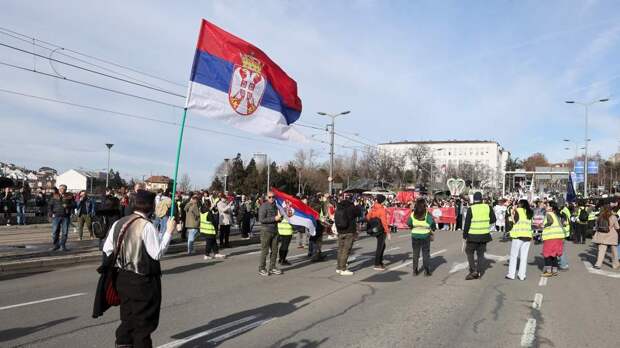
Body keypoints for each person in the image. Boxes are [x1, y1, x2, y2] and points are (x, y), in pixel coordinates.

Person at [102, 190, 175, 348]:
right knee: (142, 323)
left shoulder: (119, 222)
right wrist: (169, 231)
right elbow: (157, 253)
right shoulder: (146, 226)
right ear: (151, 206)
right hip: (141, 280)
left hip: (122, 278)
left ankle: (122, 344)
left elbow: (107, 249)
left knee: (127, 317)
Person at [463, 192, 496, 280]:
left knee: (469, 251)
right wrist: (485, 223)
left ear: (474, 199)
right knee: (480, 254)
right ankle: (478, 272)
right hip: (484, 235)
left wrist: (464, 235)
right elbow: (493, 219)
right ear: (481, 199)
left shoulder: (471, 209)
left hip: (472, 235)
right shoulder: (488, 207)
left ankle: (473, 270)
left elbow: (467, 223)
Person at [506, 199, 533, 281]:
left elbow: (512, 221)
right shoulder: (529, 212)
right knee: (524, 257)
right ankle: (522, 275)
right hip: (527, 236)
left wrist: (512, 210)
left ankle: (511, 274)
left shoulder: (517, 210)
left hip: (518, 236)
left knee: (514, 256)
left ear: (520, 204)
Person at [407, 198, 435, 276]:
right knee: (425, 253)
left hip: (415, 235)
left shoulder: (413, 214)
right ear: (424, 205)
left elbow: (408, 223)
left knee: (415, 253)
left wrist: (413, 227)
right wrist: (433, 229)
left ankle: (415, 270)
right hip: (425, 235)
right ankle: (426, 271)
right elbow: (432, 223)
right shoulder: (427, 214)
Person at [335, 197, 362, 276]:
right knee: (346, 250)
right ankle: (343, 269)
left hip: (340, 231)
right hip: (349, 232)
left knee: (340, 249)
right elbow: (359, 213)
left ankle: (338, 267)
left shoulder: (338, 208)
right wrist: (357, 205)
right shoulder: (351, 208)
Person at [258, 192, 283, 276]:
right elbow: (261, 219)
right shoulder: (263, 206)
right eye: (269, 197)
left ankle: (272, 267)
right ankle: (262, 268)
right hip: (266, 231)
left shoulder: (276, 206)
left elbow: (278, 219)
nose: (271, 198)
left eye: (273, 197)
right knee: (265, 251)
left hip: (275, 231)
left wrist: (280, 218)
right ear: (266, 198)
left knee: (275, 250)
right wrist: (274, 218)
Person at [366, 194, 390, 271]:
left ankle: (380, 262)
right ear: (382, 201)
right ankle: (377, 264)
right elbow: (384, 222)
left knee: (382, 246)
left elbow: (367, 217)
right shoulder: (381, 209)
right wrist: (388, 232)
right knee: (380, 247)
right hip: (381, 230)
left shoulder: (373, 208)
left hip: (375, 229)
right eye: (384, 200)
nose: (385, 201)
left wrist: (374, 221)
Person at [541, 201, 566, 277]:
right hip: (559, 236)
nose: (546, 206)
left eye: (547, 205)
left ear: (551, 208)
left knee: (547, 255)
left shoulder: (549, 214)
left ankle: (548, 271)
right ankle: (554, 271)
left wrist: (544, 225)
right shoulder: (556, 214)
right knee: (554, 255)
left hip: (551, 237)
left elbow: (550, 222)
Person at [592, 204, 619, 270]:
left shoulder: (599, 216)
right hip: (611, 236)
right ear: (611, 210)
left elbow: (596, 227)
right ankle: (615, 264)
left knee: (601, 251)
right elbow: (617, 227)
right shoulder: (613, 217)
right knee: (614, 251)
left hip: (601, 235)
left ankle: (598, 264)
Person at [48, 185, 75, 251]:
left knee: (65, 232)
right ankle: (56, 245)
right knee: (55, 232)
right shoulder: (54, 196)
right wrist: (51, 213)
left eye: (64, 189)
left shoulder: (69, 196)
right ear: (59, 189)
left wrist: (68, 205)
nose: (62, 190)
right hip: (56, 216)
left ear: (66, 189)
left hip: (66, 216)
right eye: (61, 188)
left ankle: (63, 245)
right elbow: (50, 205)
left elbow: (74, 205)